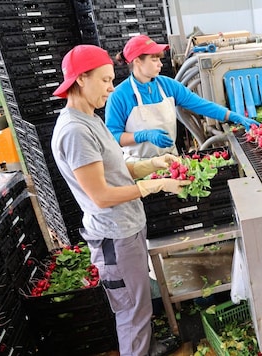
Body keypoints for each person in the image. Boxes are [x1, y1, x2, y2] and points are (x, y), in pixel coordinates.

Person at [50, 44, 190, 356]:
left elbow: (113, 170)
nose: (112, 88)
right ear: (81, 79)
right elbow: (100, 195)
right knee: (133, 314)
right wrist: (153, 187)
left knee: (138, 305)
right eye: (105, 80)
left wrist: (149, 166)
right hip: (115, 236)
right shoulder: (75, 131)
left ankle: (146, 347)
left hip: (127, 227)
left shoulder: (90, 118)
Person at [105, 34, 259, 161]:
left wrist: (233, 116)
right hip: (139, 166)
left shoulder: (167, 86)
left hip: (171, 161)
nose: (160, 64)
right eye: (154, 59)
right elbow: (114, 137)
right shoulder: (119, 96)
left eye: (159, 59)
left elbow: (200, 105)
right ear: (137, 61)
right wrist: (144, 135)